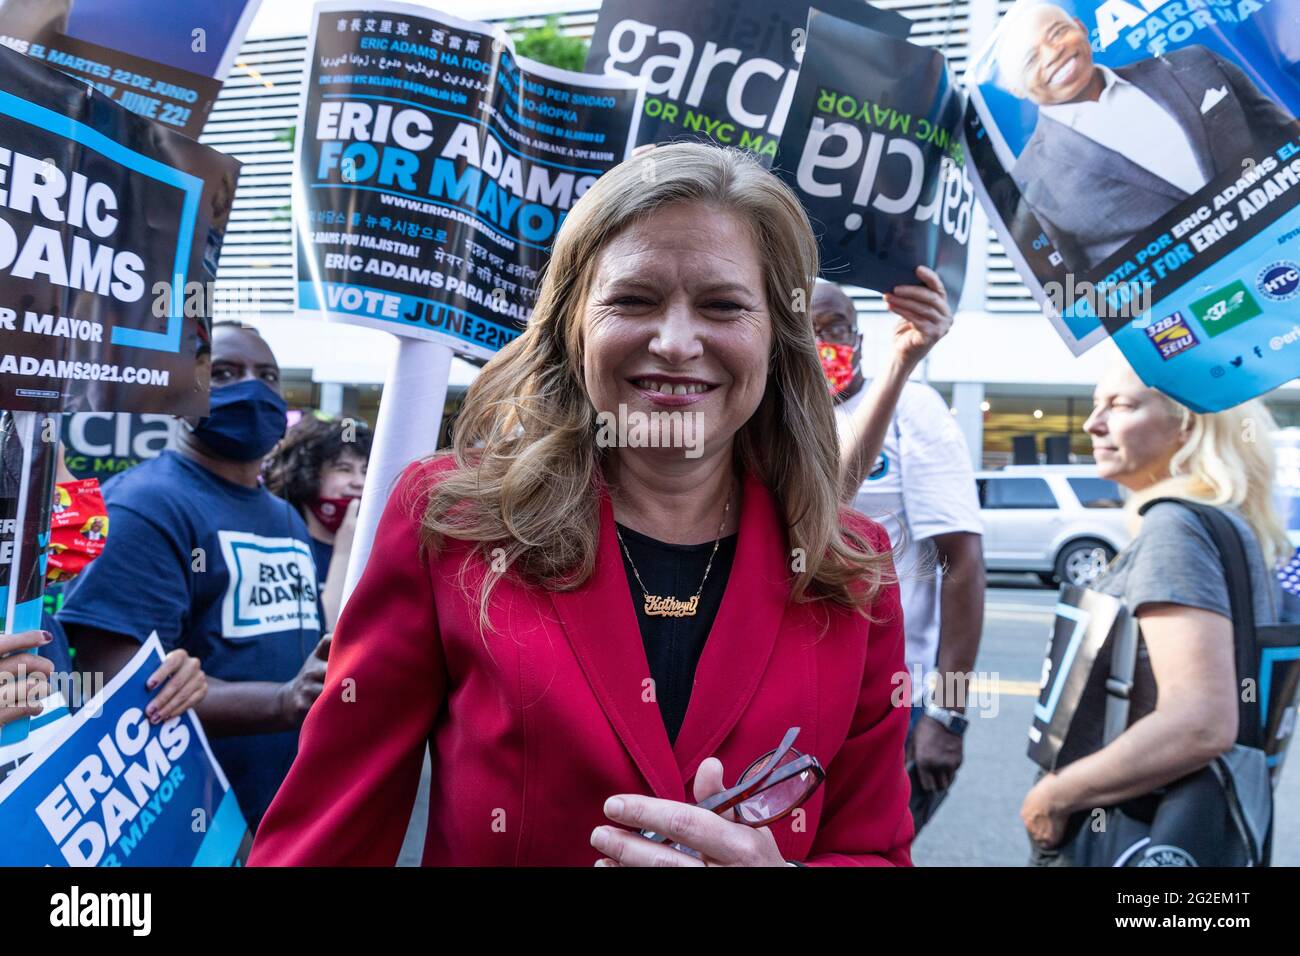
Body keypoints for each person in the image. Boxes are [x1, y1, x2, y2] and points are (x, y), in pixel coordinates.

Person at [250, 142, 915, 867]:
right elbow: (324, 839)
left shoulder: (850, 568)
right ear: (573, 323)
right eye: (633, 300)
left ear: (779, 336)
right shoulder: (451, 522)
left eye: (723, 305)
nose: (676, 342)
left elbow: (872, 850)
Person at [57, 321, 329, 831]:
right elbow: (118, 687)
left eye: (266, 375)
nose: (251, 388)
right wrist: (282, 700)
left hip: (286, 818)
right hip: (196, 827)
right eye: (223, 373)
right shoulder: (143, 506)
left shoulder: (286, 517)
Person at [1020, 360, 1289, 861]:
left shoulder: (1174, 528)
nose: (1092, 422)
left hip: (1138, 826)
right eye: (1097, 405)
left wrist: (1052, 799)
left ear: (1188, 424)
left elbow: (1200, 721)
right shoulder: (1225, 524)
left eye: (1120, 406)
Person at [813, 278, 985, 830]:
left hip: (894, 691)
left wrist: (950, 713)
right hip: (805, 683)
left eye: (833, 328)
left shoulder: (914, 407)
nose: (821, 343)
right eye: (804, 329)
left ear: (860, 339)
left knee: (874, 844)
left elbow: (962, 559)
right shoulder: (773, 413)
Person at [997, 2, 1297, 272]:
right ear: (1016, 90)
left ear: (1080, 28)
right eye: (1030, 60)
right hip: (1197, 319)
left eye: (1057, 32)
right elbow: (1076, 296)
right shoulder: (1028, 185)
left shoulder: (1195, 62)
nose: (1053, 52)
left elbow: (1286, 137)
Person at [264, 414, 372, 630]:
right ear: (308, 476)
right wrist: (343, 554)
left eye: (365, 471)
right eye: (344, 469)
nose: (359, 482)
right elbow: (323, 637)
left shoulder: (377, 550)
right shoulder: (281, 548)